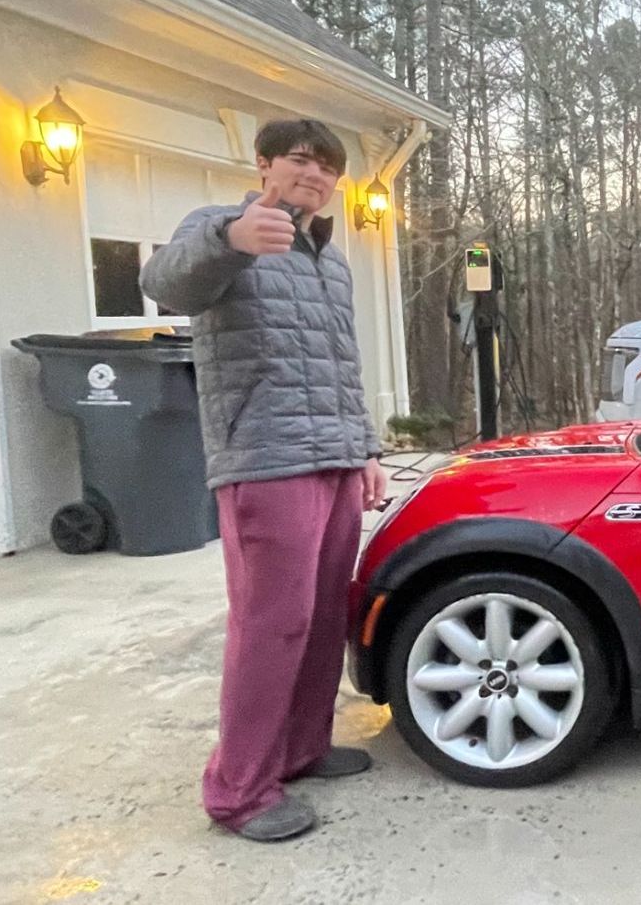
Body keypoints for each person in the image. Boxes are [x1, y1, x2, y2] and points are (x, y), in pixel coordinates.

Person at [141, 118, 389, 842]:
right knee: (271, 624)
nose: (316, 175)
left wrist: (365, 448)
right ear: (264, 165)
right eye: (301, 160)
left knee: (322, 616)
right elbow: (164, 283)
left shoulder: (329, 261)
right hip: (266, 457)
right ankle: (240, 790)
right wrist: (231, 241)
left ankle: (301, 749)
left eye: (328, 167)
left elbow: (341, 364)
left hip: (335, 457)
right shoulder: (221, 227)